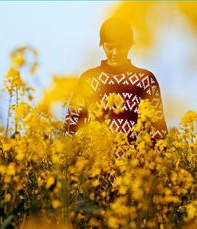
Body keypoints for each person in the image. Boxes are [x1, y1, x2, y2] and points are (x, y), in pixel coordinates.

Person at [64, 17, 167, 145]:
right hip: (95, 161)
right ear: (101, 45)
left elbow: (159, 132)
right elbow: (71, 127)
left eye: (121, 47)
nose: (115, 53)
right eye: (109, 47)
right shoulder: (88, 80)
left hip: (134, 163)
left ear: (130, 45)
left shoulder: (145, 80)